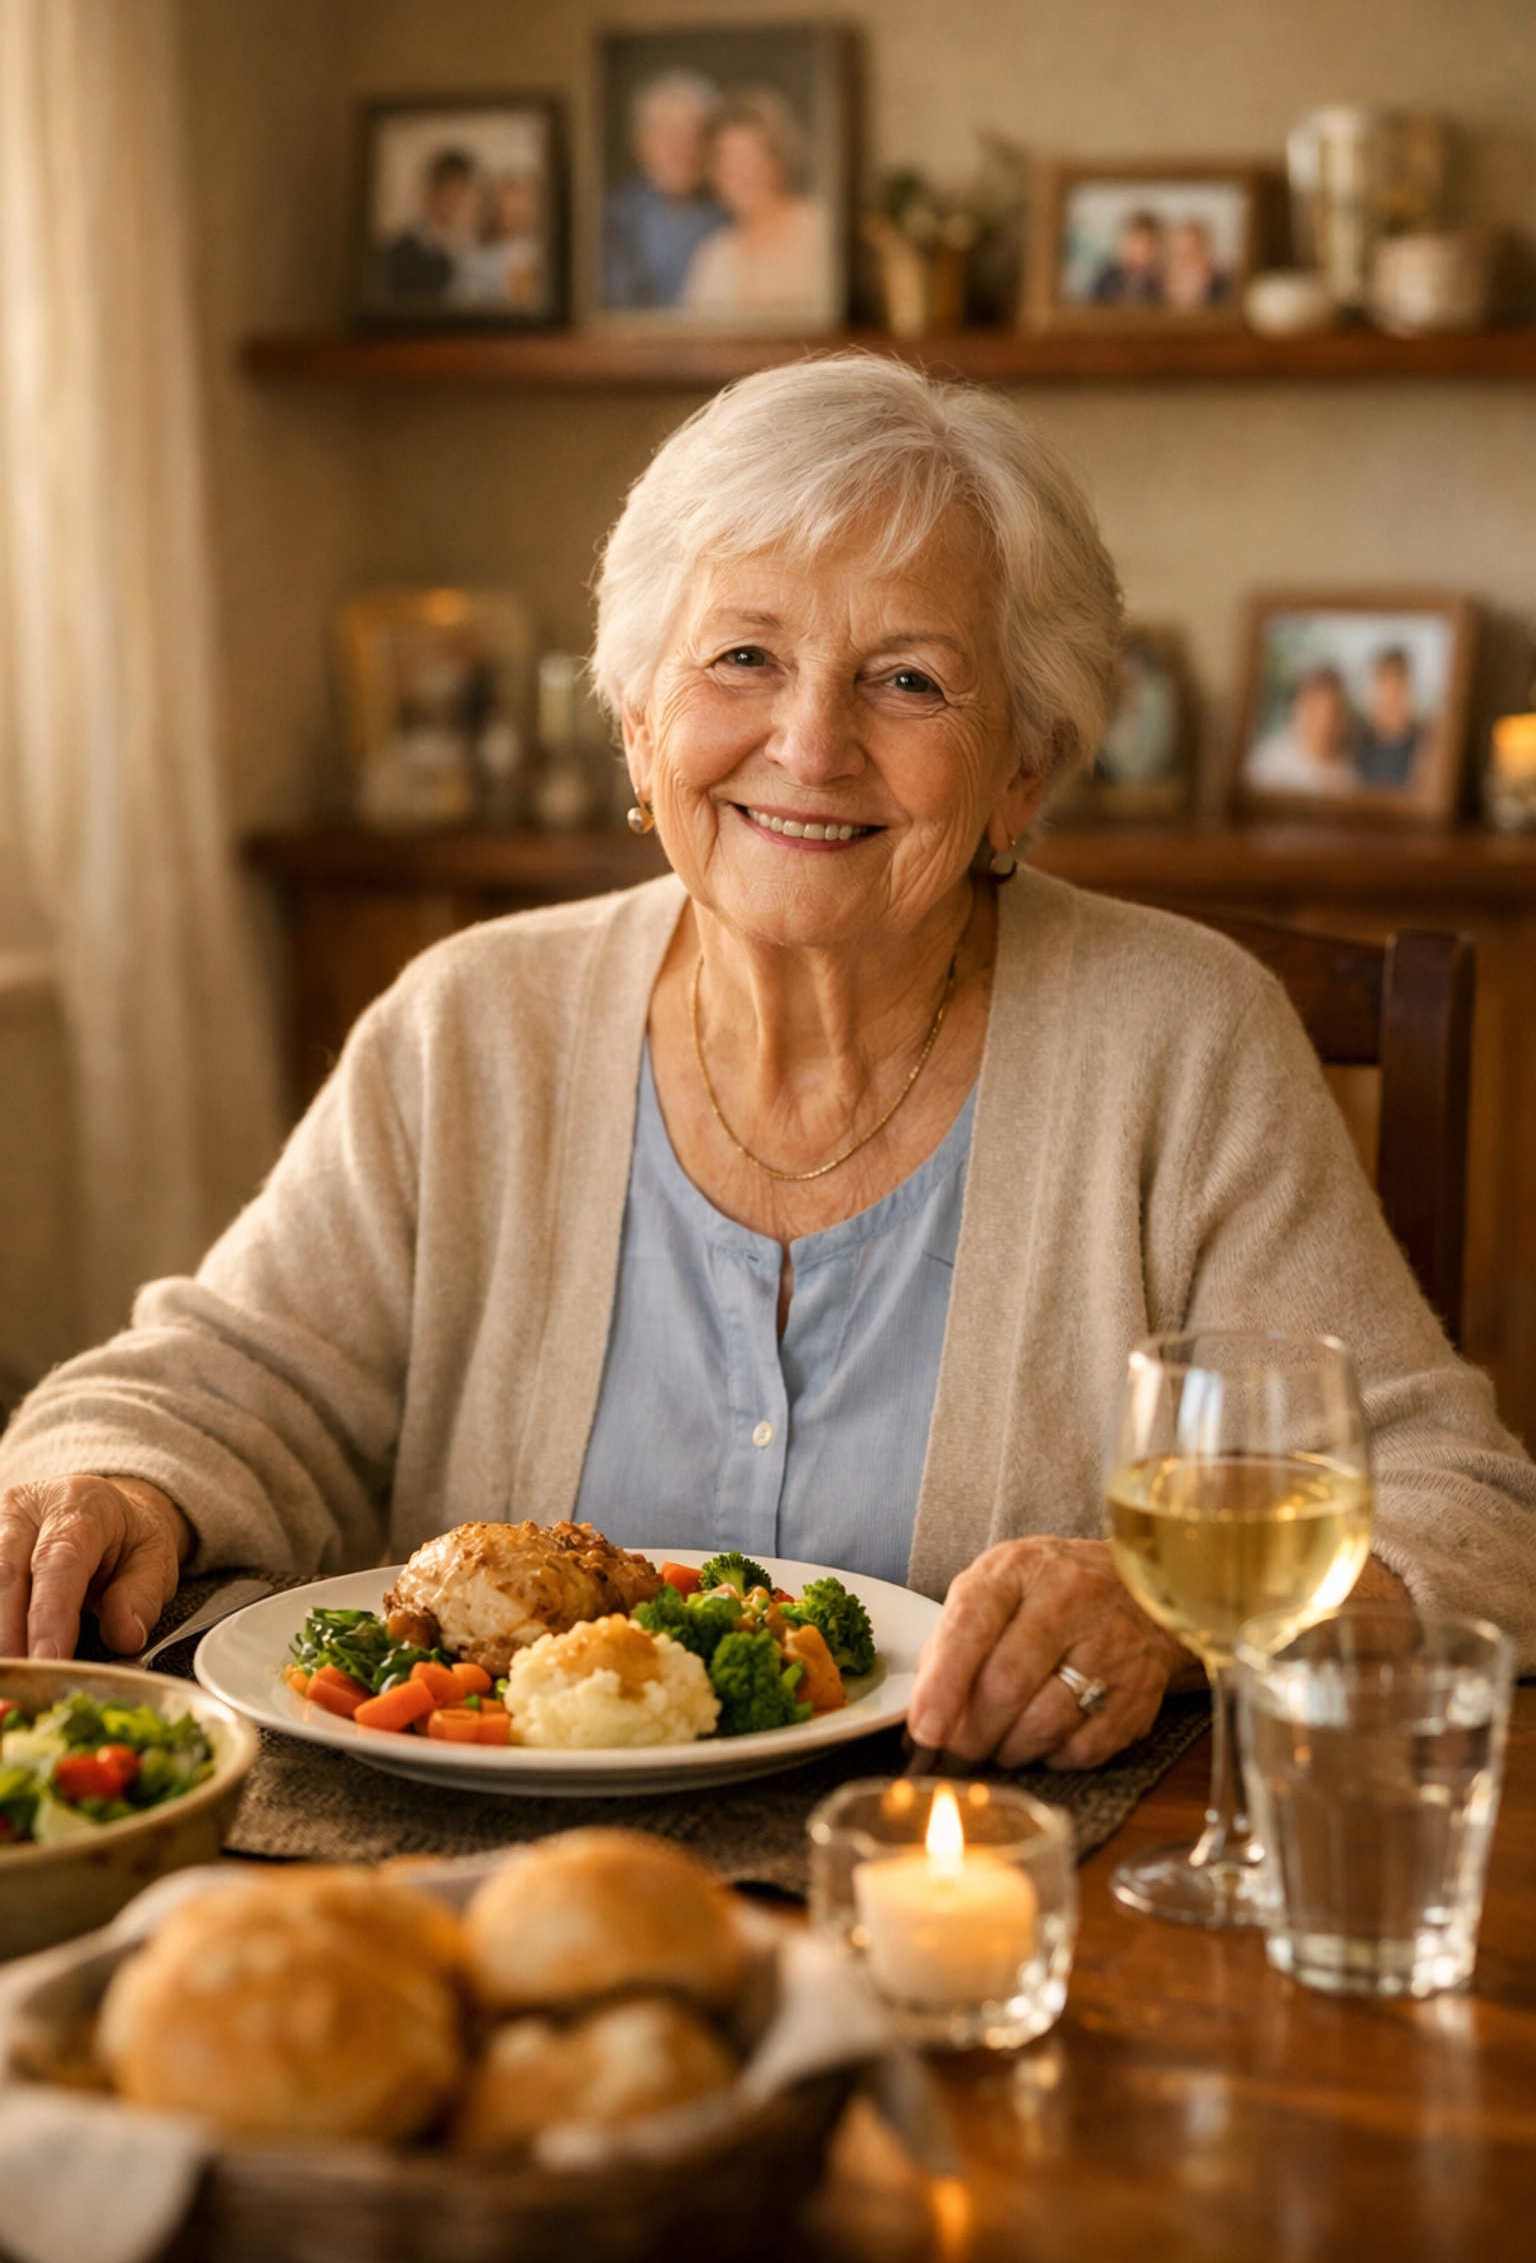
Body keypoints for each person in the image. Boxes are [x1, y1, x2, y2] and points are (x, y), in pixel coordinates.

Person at [4, 357, 1535, 1776]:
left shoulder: (1181, 1039)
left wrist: (1171, 1615)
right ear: (636, 721)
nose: (811, 745)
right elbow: (230, 1380)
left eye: (910, 681)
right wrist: (117, 1481)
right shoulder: (472, 1025)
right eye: (744, 656)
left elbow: (1462, 1515)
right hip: (480, 1905)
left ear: (1025, 768)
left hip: (998, 1912)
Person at [680, 88, 833, 322]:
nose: (741, 173)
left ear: (779, 158)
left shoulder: (822, 230)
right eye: (727, 160)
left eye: (752, 156)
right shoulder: (714, 256)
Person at [602, 71, 728, 311]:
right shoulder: (614, 215)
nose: (682, 147)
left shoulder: (726, 212)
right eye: (668, 132)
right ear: (641, 141)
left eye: (694, 134)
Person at [1244, 665, 1360, 796]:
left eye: (1333, 713)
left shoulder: (1349, 776)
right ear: (1297, 709)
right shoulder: (1267, 767)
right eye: (1315, 710)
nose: (1324, 722)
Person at [381, 148, 478, 301]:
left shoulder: (473, 247)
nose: (458, 201)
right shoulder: (403, 249)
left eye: (463, 191)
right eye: (450, 191)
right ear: (431, 193)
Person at [454, 172, 544, 313]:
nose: (514, 210)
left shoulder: (538, 253)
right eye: (506, 204)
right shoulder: (475, 259)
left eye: (519, 204)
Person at [1354, 647, 1426, 790]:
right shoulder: (1355, 744)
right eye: (1384, 681)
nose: (1391, 693)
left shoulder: (1424, 747)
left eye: (1398, 683)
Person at [1089, 209, 1164, 304]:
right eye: (1136, 243)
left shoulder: (1160, 284)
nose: (1140, 251)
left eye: (1147, 246)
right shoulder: (1107, 279)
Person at [1161, 217, 1230, 311]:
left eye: (1190, 244)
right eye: (1179, 243)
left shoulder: (1213, 277)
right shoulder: (1163, 275)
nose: (1184, 249)